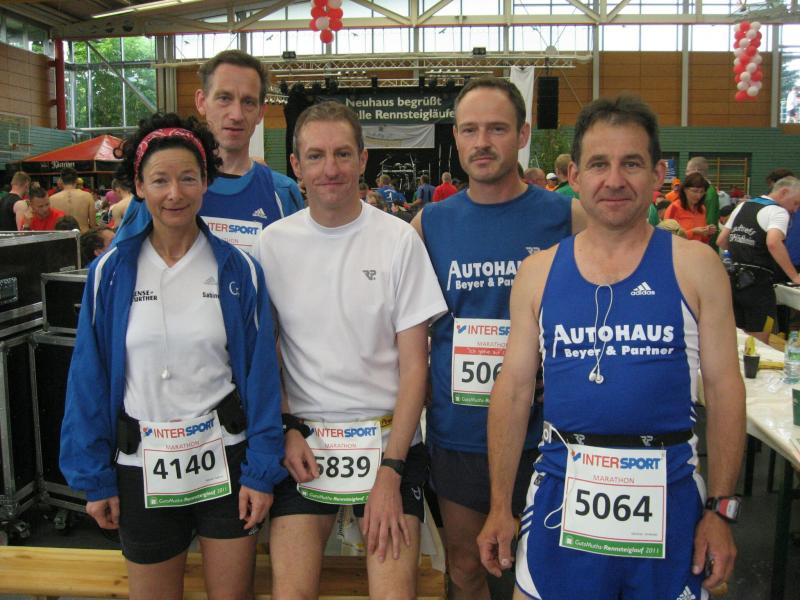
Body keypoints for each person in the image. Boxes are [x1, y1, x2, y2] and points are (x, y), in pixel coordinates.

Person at [478, 95, 745, 599]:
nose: (615, 180)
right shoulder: (537, 273)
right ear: (575, 176)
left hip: (669, 496)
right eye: (599, 164)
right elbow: (512, 392)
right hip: (562, 492)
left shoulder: (696, 266)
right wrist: (498, 506)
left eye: (632, 163)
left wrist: (721, 510)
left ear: (658, 174)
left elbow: (725, 390)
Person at [59, 113, 285, 600]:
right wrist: (95, 478)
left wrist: (262, 470)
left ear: (206, 181)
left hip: (225, 459)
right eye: (160, 180)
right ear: (139, 186)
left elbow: (262, 376)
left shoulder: (239, 270)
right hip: (142, 464)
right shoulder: (109, 274)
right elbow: (88, 378)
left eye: (188, 178)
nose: (175, 193)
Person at [255, 101, 447, 599]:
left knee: (394, 593)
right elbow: (267, 355)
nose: (330, 169)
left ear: (362, 159)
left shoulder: (398, 240)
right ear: (296, 165)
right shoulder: (272, 245)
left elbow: (415, 368)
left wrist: (392, 469)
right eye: (315, 156)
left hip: (387, 444)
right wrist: (287, 428)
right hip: (305, 445)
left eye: (342, 154)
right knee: (290, 593)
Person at [410, 76, 585, 600]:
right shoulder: (429, 224)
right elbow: (401, 329)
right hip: (460, 431)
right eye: (470, 129)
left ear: (523, 134)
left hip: (548, 432)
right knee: (467, 568)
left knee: (546, 573)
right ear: (456, 138)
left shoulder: (567, 217)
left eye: (497, 129)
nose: (482, 142)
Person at [115, 49, 302, 254]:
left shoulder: (282, 192)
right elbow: (119, 265)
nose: (236, 115)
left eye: (248, 102)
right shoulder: (162, 192)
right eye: (224, 98)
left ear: (261, 112)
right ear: (201, 102)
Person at [718, 176, 800, 343]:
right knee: (760, 342)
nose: (795, 209)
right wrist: (795, 276)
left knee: (736, 340)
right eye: (796, 203)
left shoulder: (743, 206)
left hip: (734, 282)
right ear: (784, 192)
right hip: (758, 286)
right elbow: (773, 243)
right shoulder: (778, 211)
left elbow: (722, 241)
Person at [663, 172, 717, 242]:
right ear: (685, 190)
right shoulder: (674, 208)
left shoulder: (702, 209)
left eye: (702, 192)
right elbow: (666, 237)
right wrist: (693, 232)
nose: (699, 196)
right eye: (695, 191)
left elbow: (703, 240)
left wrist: (707, 233)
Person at [686, 156, 720, 250]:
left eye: (687, 171)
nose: (686, 174)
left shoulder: (709, 193)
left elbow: (711, 223)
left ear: (696, 171)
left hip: (704, 245)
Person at [49, 168, 96, 233]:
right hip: (83, 235)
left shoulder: (52, 199)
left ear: (61, 180)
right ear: (76, 180)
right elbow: (93, 224)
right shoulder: (87, 196)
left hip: (62, 236)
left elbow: (51, 224)